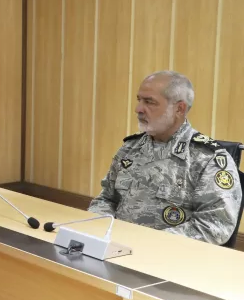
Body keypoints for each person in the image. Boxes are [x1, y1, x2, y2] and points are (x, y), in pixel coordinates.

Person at [90, 71, 241, 246]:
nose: (138, 109)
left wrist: (147, 244)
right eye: (139, 100)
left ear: (179, 109)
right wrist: (97, 229)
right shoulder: (130, 148)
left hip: (170, 259)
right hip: (116, 249)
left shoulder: (208, 159)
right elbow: (106, 199)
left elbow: (214, 226)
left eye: (149, 102)